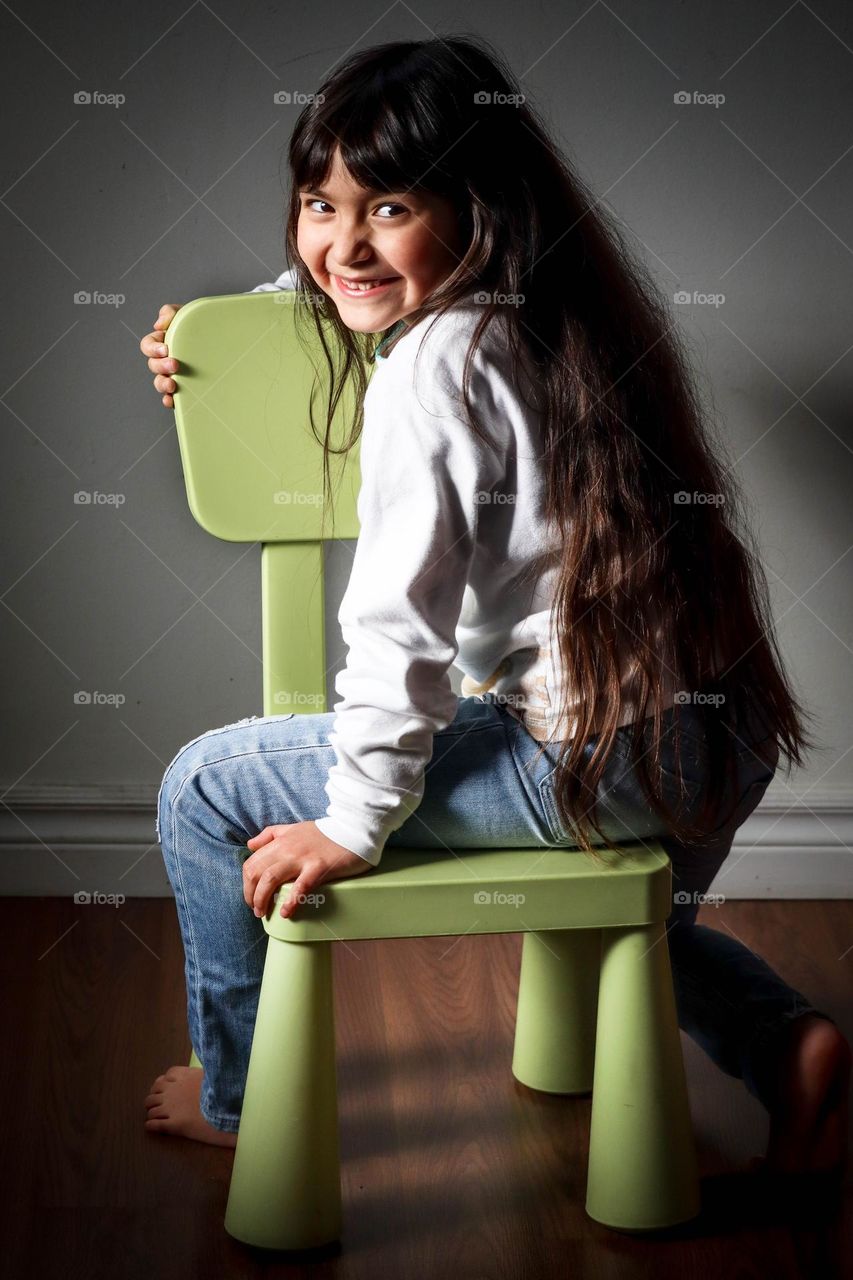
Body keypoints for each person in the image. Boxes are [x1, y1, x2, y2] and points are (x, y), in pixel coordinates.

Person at [139, 34, 850, 1182]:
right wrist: (217, 338)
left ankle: (234, 1097)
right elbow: (357, 279)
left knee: (201, 784)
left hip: (594, 752)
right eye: (318, 203)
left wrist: (355, 818)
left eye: (388, 206)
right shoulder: (563, 308)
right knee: (638, 919)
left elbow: (397, 626)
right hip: (707, 737)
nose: (340, 241)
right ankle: (788, 1043)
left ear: (474, 209)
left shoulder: (435, 368)